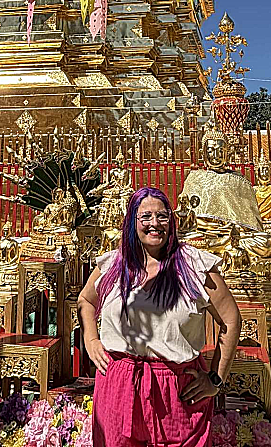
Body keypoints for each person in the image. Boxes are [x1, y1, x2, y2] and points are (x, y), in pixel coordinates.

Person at [77, 187, 241, 447]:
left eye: (162, 216)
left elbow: (231, 321)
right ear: (132, 222)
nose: (155, 224)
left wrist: (216, 379)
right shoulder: (113, 264)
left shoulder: (194, 266)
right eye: (145, 217)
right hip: (119, 385)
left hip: (177, 390)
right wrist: (91, 339)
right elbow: (85, 300)